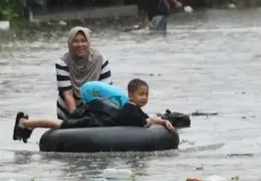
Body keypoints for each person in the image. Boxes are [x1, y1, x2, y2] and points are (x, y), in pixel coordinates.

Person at [12, 78, 173, 142]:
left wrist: (163, 120)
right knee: (60, 125)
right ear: (130, 94)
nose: (144, 98)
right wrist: (162, 121)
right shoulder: (132, 111)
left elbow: (148, 118)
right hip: (94, 122)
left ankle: (29, 124)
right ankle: (25, 122)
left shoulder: (132, 108)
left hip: (98, 117)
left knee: (60, 124)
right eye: (141, 94)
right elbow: (147, 121)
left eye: (147, 95)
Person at [55, 27, 112, 119]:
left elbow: (106, 91)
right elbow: (67, 95)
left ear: (88, 42)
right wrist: (76, 118)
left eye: (83, 41)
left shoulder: (101, 60)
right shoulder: (62, 63)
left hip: (95, 106)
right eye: (75, 41)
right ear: (70, 43)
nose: (80, 44)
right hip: (67, 109)